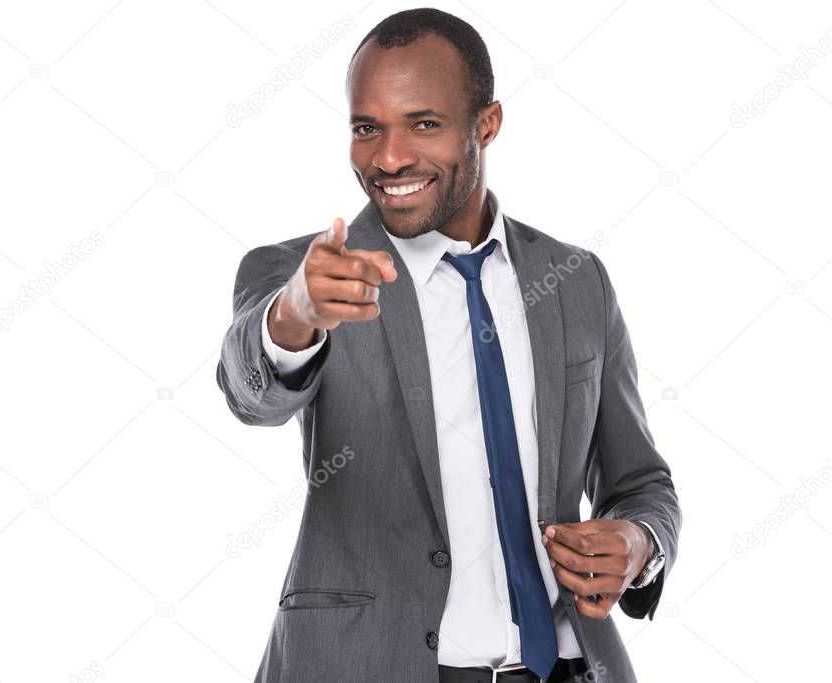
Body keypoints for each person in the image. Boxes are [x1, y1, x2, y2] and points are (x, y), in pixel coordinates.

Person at [216, 8, 681, 682]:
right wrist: (293, 313)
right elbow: (250, 391)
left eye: (423, 123)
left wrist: (638, 543)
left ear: (485, 124)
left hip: (567, 668)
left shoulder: (575, 281)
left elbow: (640, 482)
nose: (389, 157)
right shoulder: (309, 274)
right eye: (365, 127)